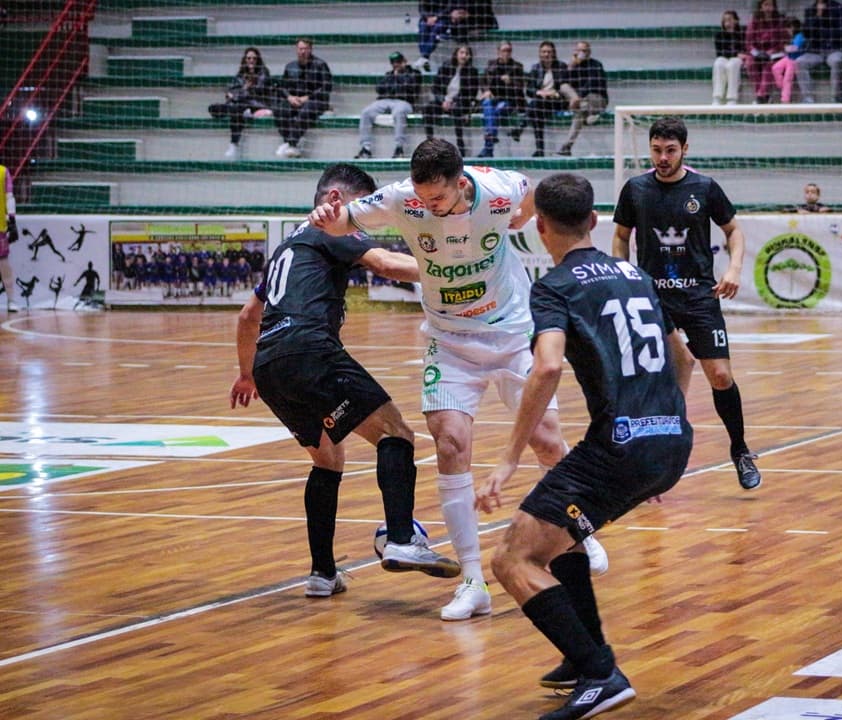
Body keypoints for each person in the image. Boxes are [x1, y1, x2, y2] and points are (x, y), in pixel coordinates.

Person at [307, 139, 607, 621]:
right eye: (423, 200)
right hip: (448, 340)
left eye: (439, 199)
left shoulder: (496, 187)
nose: (430, 207)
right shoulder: (403, 198)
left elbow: (532, 190)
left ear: (460, 183)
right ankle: (472, 581)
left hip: (510, 332)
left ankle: (579, 532)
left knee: (548, 442)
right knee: (450, 443)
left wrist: (522, 216)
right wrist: (329, 215)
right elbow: (343, 222)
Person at [477, 173, 692, 720]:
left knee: (512, 558)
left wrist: (507, 458)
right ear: (594, 220)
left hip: (618, 449)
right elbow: (684, 360)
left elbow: (547, 365)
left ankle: (600, 673)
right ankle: (585, 659)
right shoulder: (636, 274)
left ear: (540, 227)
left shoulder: (554, 287)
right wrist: (661, 430)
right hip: (671, 439)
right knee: (561, 535)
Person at [230, 163, 461, 597]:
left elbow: (248, 317)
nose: (365, 218)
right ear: (336, 199)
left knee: (327, 460)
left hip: (269, 364)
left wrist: (247, 374)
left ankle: (322, 574)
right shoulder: (333, 228)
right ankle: (401, 539)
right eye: (364, 207)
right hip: (309, 349)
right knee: (396, 432)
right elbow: (387, 264)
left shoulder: (287, 246)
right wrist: (454, 270)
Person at [612, 116, 762, 492]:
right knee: (667, 378)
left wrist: (734, 268)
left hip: (698, 294)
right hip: (652, 297)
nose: (663, 157)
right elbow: (620, 236)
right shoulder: (635, 189)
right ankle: (656, 462)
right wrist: (624, 274)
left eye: (670, 150)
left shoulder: (705, 188)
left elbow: (734, 231)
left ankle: (740, 450)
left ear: (685, 150)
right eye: (657, 150)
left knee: (721, 376)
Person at [511, 41, 578, 157]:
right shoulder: (535, 68)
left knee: (535, 106)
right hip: (541, 102)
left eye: (549, 52)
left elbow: (566, 85)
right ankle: (539, 150)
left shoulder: (561, 66)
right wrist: (539, 92)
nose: (546, 54)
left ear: (554, 53)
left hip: (558, 101)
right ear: (540, 54)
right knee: (537, 113)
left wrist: (554, 93)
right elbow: (529, 90)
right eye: (543, 52)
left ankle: (521, 127)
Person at [270, 37, 332, 158]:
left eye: (305, 49)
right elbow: (282, 86)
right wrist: (289, 97)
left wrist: (307, 97)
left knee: (307, 109)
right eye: (300, 49)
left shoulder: (320, 65)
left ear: (310, 49)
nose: (302, 51)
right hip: (294, 100)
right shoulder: (290, 66)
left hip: (315, 101)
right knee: (280, 109)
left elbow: (326, 88)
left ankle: (291, 143)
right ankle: (290, 142)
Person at [208, 47, 274, 160]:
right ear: (245, 60)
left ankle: (233, 144)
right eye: (249, 58)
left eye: (254, 58)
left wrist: (239, 93)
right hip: (240, 104)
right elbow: (231, 92)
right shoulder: (239, 76)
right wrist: (241, 92)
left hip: (255, 104)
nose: (251, 60)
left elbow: (257, 92)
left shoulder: (263, 73)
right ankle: (244, 113)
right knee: (213, 108)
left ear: (258, 60)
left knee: (236, 106)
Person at [356, 51, 422, 160]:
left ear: (404, 61)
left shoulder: (414, 73)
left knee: (399, 113)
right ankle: (365, 148)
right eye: (393, 62)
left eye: (398, 62)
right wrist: (394, 78)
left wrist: (398, 77)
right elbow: (379, 89)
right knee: (366, 112)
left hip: (404, 102)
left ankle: (399, 147)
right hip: (385, 101)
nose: (396, 64)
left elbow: (410, 87)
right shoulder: (388, 75)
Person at [422, 43, 482, 157]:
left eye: (467, 53)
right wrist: (443, 100)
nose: (464, 56)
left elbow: (471, 94)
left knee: (458, 111)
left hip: (460, 104)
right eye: (462, 53)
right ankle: (429, 142)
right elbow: (435, 88)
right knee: (428, 109)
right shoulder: (446, 67)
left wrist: (454, 102)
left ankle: (460, 144)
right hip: (443, 102)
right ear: (456, 54)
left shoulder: (472, 72)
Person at [414, 1, 498, 74]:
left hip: (480, 20)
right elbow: (422, 7)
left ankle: (466, 65)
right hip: (457, 21)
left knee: (448, 27)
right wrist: (454, 15)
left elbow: (486, 9)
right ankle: (424, 58)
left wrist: (468, 15)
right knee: (424, 27)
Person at [557, 41, 608, 157]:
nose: (581, 53)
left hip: (596, 99)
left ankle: (567, 145)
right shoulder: (573, 66)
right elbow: (561, 83)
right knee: (564, 87)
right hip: (580, 102)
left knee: (581, 109)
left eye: (584, 51)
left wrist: (578, 98)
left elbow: (593, 84)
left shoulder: (595, 65)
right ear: (575, 52)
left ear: (589, 52)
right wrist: (571, 67)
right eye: (579, 50)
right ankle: (588, 118)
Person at [797, 0, 842, 103]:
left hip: (834, 49)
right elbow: (806, 33)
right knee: (799, 62)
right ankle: (808, 98)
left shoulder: (839, 8)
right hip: (815, 51)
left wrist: (823, 29)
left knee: (837, 61)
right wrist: (818, 16)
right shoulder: (810, 10)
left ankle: (835, 98)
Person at [478, 41, 526, 158]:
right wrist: (486, 91)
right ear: (498, 52)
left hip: (510, 101)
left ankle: (488, 144)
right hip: (493, 99)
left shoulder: (517, 67)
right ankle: (491, 138)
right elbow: (483, 81)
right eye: (504, 50)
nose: (506, 53)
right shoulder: (491, 65)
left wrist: (511, 82)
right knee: (487, 102)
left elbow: (521, 88)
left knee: (496, 110)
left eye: (509, 50)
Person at [744, 0, 788, 103]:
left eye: (770, 5)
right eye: (766, 5)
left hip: (774, 53)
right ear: (761, 7)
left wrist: (772, 51)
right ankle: (763, 96)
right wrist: (757, 53)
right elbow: (748, 43)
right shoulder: (754, 22)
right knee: (750, 63)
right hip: (757, 53)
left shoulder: (779, 21)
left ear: (774, 7)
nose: (768, 8)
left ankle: (761, 95)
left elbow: (783, 41)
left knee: (769, 65)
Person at [712, 11, 746, 105]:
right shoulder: (719, 35)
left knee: (732, 65)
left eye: (730, 19)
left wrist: (736, 54)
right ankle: (717, 97)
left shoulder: (742, 34)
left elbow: (743, 49)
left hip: (736, 59)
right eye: (725, 20)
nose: (727, 22)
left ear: (735, 20)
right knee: (718, 64)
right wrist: (735, 53)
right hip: (725, 57)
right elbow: (720, 52)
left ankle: (732, 98)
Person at [771, 16, 808, 103]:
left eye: (789, 27)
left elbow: (795, 48)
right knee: (775, 68)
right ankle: (782, 87)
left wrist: (784, 48)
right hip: (788, 57)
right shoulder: (791, 37)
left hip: (794, 60)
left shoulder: (799, 36)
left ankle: (785, 99)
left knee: (787, 78)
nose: (788, 30)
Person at [0, 164, 18, 313]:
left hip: (0, 226)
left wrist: (12, 221)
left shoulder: (3, 172)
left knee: (4, 264)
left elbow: (9, 197)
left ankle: (11, 299)